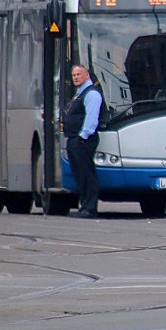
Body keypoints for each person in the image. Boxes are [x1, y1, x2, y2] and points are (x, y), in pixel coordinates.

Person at [65, 64, 103, 218]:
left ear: (87, 75)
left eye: (78, 74)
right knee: (80, 174)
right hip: (76, 139)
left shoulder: (91, 94)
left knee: (87, 174)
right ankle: (84, 206)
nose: (75, 77)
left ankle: (90, 208)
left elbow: (91, 118)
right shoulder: (79, 93)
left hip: (83, 140)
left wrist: (83, 136)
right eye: (73, 75)